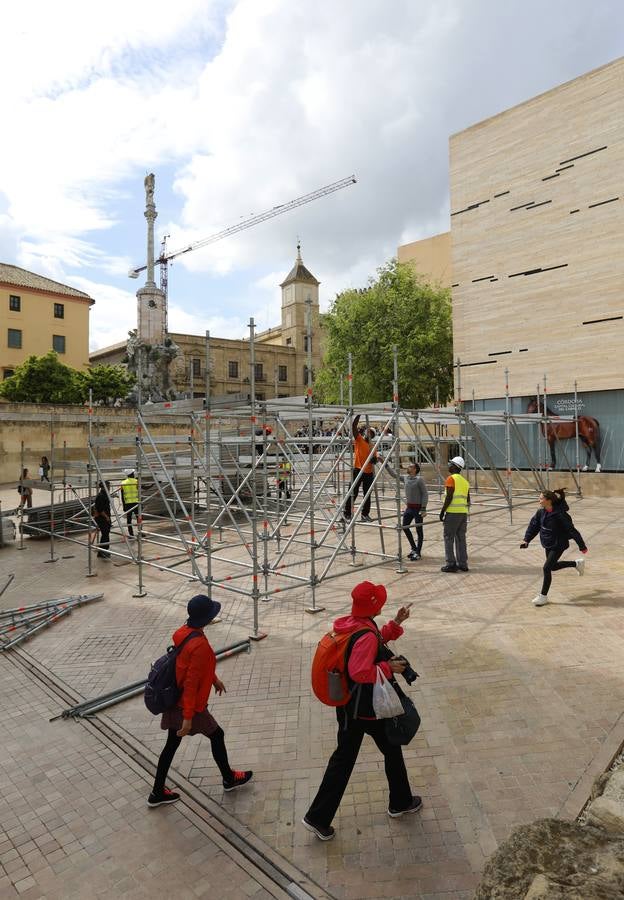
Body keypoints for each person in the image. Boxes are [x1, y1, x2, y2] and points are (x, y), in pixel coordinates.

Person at [302, 581, 421, 841]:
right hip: (368, 709)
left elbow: (376, 642)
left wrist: (396, 623)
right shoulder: (365, 632)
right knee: (391, 748)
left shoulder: (354, 623)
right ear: (373, 605)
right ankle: (400, 802)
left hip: (348, 708)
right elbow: (359, 671)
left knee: (344, 759)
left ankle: (318, 817)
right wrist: (390, 669)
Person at [149, 594, 253, 807]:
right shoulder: (200, 646)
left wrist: (214, 679)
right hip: (189, 707)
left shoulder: (184, 633)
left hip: (177, 701)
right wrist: (188, 718)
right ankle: (229, 778)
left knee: (171, 746)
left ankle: (157, 792)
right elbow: (191, 682)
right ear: (206, 618)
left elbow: (189, 667)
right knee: (217, 735)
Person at [520, 489, 588, 607]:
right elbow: (533, 526)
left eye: (541, 498)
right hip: (548, 543)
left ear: (549, 500)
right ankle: (576, 564)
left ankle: (543, 596)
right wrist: (526, 540)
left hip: (559, 544)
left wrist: (582, 546)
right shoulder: (540, 513)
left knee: (546, 568)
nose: (539, 500)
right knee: (553, 567)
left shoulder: (560, 514)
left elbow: (571, 530)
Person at [385, 461, 428, 560]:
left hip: (418, 508)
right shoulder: (406, 478)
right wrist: (385, 464)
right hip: (409, 507)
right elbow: (394, 475)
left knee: (419, 530)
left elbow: (425, 494)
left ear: (415, 469)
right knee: (404, 526)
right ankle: (414, 548)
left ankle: (418, 552)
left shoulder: (419, 480)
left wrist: (423, 508)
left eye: (410, 467)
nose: (408, 468)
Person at [344, 415, 380, 523]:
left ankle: (365, 514)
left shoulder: (373, 446)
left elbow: (375, 458)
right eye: (368, 432)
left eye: (371, 433)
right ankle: (347, 514)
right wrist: (358, 415)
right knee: (352, 492)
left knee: (367, 494)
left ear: (372, 436)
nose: (369, 434)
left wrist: (374, 460)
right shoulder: (359, 440)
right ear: (365, 433)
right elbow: (354, 427)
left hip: (368, 472)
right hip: (358, 469)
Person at [439, 456, 470, 572]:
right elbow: (468, 500)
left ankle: (451, 564)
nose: (448, 465)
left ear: (455, 467)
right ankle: (463, 564)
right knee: (461, 538)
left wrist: (442, 511)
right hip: (463, 513)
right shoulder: (465, 482)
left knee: (448, 538)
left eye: (450, 464)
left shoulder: (451, 479)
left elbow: (449, 496)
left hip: (452, 513)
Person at [93, 481, 111, 559]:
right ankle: (102, 552)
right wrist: (107, 517)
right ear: (104, 487)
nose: (109, 487)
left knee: (106, 534)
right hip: (102, 518)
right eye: (108, 486)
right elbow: (100, 509)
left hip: (105, 517)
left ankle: (104, 551)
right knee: (105, 534)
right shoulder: (101, 496)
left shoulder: (105, 494)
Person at [120, 469, 139, 537]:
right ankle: (140, 532)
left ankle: (131, 534)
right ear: (132, 474)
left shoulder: (123, 483)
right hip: (136, 503)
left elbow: (122, 495)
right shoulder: (136, 481)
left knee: (129, 520)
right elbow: (144, 488)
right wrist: (152, 485)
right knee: (139, 518)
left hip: (127, 503)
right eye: (133, 473)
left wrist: (124, 505)